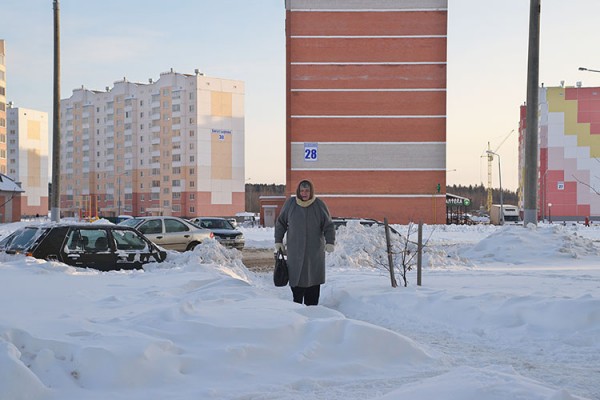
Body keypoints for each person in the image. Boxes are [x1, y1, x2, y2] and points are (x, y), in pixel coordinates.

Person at [274, 180, 336, 306]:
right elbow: (281, 223)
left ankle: (312, 312)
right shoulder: (291, 204)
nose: (304, 193)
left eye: (307, 191)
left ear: (311, 191)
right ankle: (297, 313)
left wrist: (330, 241)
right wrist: (278, 240)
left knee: (313, 285)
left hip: (314, 253)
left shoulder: (319, 205)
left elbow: (328, 225)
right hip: (294, 251)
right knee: (296, 285)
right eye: (302, 190)